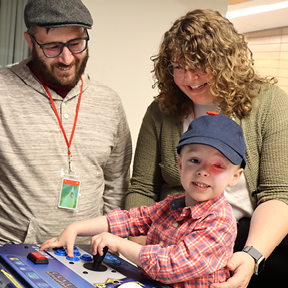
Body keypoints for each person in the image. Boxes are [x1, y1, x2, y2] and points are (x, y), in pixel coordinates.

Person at [125, 9, 288, 288]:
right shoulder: (160, 111)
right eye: (178, 67)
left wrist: (251, 257)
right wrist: (145, 256)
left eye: (200, 64)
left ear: (226, 62)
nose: (189, 78)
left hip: (247, 238)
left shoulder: (270, 103)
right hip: (175, 240)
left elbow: (278, 194)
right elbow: (142, 188)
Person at [40, 112, 246, 287]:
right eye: (194, 160)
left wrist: (118, 244)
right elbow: (129, 219)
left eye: (218, 165)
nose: (203, 171)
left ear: (235, 176)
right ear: (180, 164)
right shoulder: (171, 205)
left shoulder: (221, 223)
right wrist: (75, 228)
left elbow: (170, 265)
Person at [0, 0, 132, 245]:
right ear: (30, 42)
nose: (67, 58)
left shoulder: (109, 102)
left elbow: (117, 185)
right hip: (13, 254)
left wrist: (110, 242)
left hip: (86, 259)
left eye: (76, 44)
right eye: (52, 46)